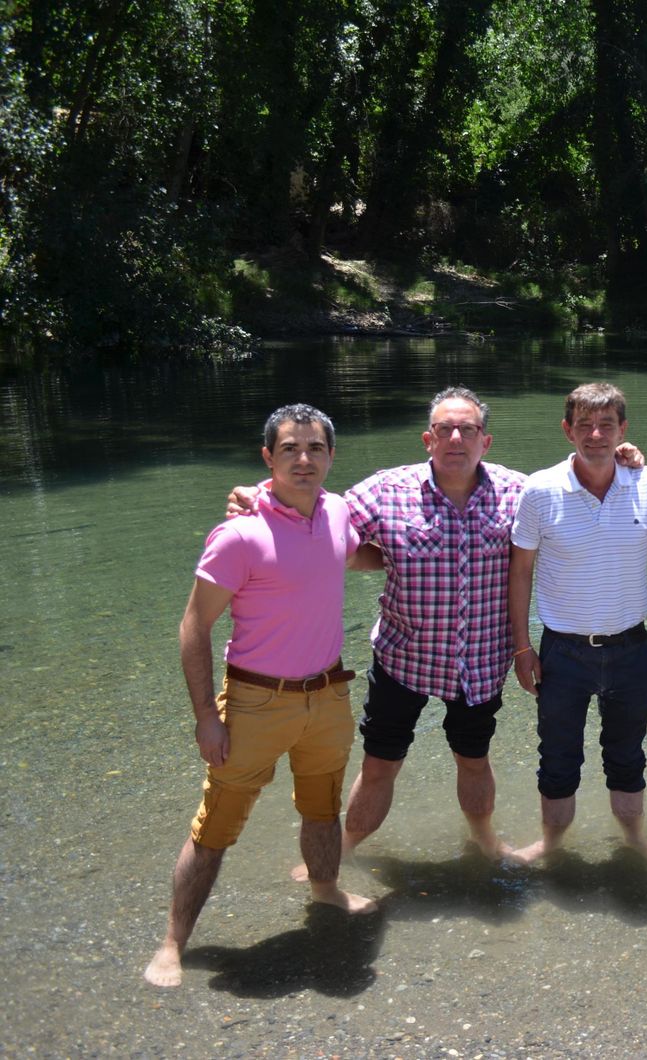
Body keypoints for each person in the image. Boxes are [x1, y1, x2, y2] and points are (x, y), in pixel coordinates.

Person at [231, 387, 525, 871]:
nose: (456, 438)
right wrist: (255, 495)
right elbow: (313, 511)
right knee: (379, 765)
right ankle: (345, 847)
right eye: (445, 429)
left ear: (485, 441)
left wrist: (627, 461)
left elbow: (570, 506)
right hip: (403, 659)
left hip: (480, 660)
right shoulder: (386, 490)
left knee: (473, 759)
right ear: (428, 439)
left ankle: (484, 837)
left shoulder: (517, 493)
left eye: (467, 429)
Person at [144, 404, 375, 989]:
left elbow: (354, 555)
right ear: (268, 457)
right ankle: (173, 943)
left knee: (323, 809)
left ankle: (325, 892)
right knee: (216, 825)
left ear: (330, 456)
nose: (305, 458)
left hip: (326, 696)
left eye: (316, 448)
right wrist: (205, 717)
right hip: (253, 701)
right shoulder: (240, 533)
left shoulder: (339, 510)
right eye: (291, 449)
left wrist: (428, 558)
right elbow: (194, 627)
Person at [506, 383, 647, 864]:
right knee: (558, 758)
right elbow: (519, 571)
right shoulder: (540, 490)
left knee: (627, 756)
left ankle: (634, 841)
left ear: (623, 430)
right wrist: (522, 649)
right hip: (562, 651)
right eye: (584, 424)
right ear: (567, 430)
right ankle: (551, 844)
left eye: (607, 424)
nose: (596, 434)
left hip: (631, 648)